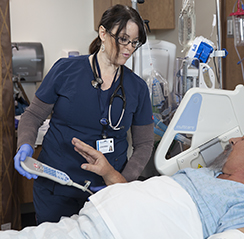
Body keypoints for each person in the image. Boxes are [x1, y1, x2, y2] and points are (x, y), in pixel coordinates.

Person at [4, 127, 244, 239]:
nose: (232, 140)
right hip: (89, 221)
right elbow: (139, 196)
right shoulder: (206, 174)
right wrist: (107, 172)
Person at [13, 4, 154, 224]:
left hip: (105, 194)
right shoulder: (65, 70)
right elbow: (33, 116)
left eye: (134, 42)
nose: (129, 48)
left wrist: (121, 181)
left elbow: (144, 144)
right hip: (57, 187)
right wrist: (25, 144)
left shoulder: (137, 88)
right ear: (103, 33)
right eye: (123, 39)